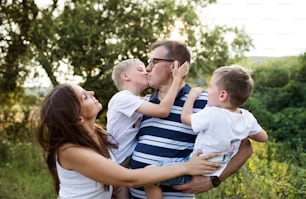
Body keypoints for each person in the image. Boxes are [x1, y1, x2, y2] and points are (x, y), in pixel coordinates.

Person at [35, 83, 220, 199]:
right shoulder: (70, 151)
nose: (91, 92)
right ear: (78, 118)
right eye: (84, 96)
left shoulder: (99, 135)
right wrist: (187, 167)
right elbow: (128, 178)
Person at [129, 40, 254, 199]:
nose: (148, 68)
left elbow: (245, 148)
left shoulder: (207, 103)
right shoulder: (144, 103)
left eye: (154, 61)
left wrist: (213, 181)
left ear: (175, 66)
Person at [144, 65, 269, 199]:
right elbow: (263, 137)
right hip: (214, 171)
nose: (206, 90)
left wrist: (191, 96)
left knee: (148, 175)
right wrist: (239, 129)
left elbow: (185, 118)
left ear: (222, 95)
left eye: (210, 87)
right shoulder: (247, 117)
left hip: (194, 169)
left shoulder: (213, 113)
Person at [106, 58, 189, 198]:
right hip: (118, 163)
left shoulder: (138, 100)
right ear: (125, 76)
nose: (146, 72)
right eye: (140, 70)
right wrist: (176, 79)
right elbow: (162, 111)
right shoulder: (122, 98)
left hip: (125, 160)